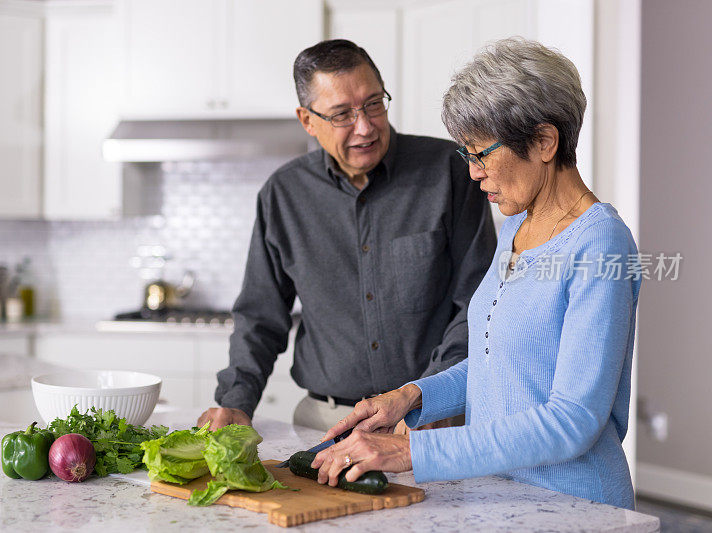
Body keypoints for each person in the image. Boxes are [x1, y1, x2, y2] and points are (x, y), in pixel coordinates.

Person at [312, 37, 642, 510]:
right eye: (466, 155)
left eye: (481, 153)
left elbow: (573, 419)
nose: (473, 173)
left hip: (576, 507)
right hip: (502, 498)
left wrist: (413, 451)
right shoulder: (515, 227)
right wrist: (409, 397)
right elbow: (498, 364)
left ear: (545, 141)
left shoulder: (601, 243)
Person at [197, 39, 496, 432]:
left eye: (374, 103)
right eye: (342, 114)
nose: (365, 126)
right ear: (307, 120)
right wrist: (236, 402)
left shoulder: (451, 172)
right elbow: (260, 317)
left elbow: (479, 300)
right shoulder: (283, 195)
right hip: (325, 422)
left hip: (431, 417)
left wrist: (428, 395)